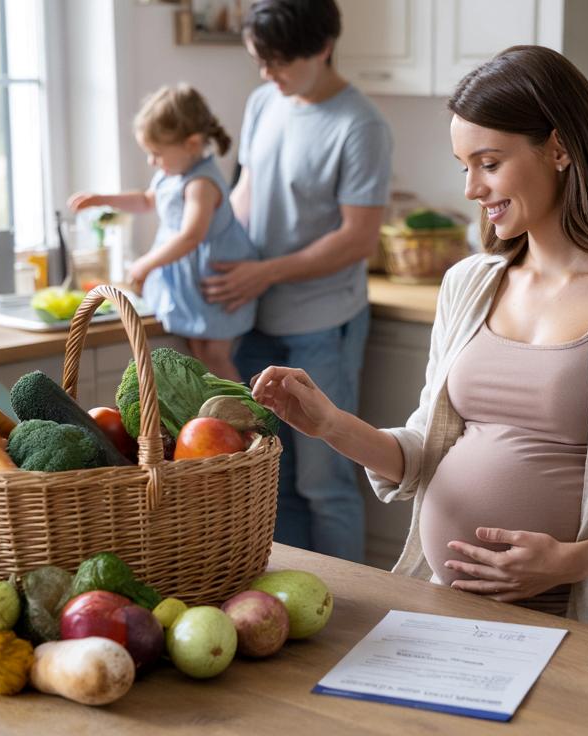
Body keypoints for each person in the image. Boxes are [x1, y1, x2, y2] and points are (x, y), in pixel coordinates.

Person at [250, 46, 588, 622]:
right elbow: (427, 449)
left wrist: (572, 562)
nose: (472, 188)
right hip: (445, 601)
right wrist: (331, 425)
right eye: (464, 166)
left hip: (582, 612)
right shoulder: (469, 283)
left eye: (490, 162)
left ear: (559, 147)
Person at [206, 0, 392, 562]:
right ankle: (292, 600)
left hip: (322, 327)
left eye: (279, 61)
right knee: (273, 478)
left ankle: (352, 617)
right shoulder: (265, 101)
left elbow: (357, 238)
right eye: (260, 60)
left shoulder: (361, 126)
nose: (266, 73)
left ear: (323, 47)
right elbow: (246, 195)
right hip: (256, 325)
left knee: (326, 482)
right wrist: (203, 256)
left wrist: (265, 271)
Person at [69, 84, 257, 382]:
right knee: (198, 350)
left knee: (215, 355)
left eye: (156, 153)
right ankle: (213, 416)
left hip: (214, 283)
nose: (151, 161)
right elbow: (145, 200)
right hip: (191, 285)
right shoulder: (171, 174)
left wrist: (146, 263)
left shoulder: (201, 184)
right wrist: (103, 199)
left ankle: (245, 415)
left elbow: (190, 236)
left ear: (192, 144)